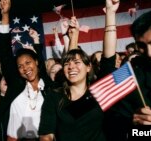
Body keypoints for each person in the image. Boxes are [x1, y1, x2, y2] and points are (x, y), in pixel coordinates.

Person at [100, 1, 151, 140]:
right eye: (142, 46)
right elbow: (112, 126)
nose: (150, 52)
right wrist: (135, 127)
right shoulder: (133, 77)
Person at [39, 7, 106, 140]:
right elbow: (46, 134)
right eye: (66, 64)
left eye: (77, 63)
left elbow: (108, 59)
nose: (71, 67)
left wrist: (110, 13)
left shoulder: (98, 92)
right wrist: (73, 37)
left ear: (88, 67)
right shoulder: (55, 97)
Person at [0, 0, 53, 140]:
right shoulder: (16, 84)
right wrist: (5, 15)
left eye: (28, 62)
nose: (25, 68)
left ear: (36, 62)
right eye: (20, 66)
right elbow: (5, 53)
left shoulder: (48, 86)